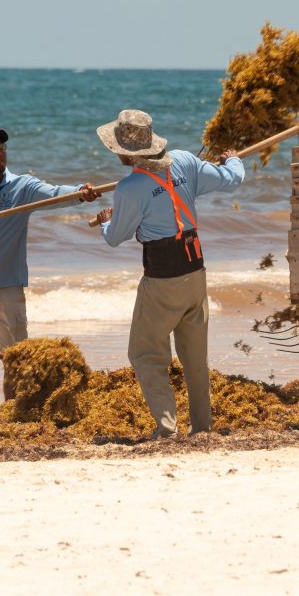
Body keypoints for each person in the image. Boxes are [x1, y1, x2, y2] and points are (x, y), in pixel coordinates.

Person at [93, 109, 244, 438]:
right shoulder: (185, 162)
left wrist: (107, 219)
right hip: (195, 269)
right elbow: (231, 180)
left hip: (162, 277)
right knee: (194, 356)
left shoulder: (129, 188)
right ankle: (202, 427)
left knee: (145, 353)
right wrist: (233, 160)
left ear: (127, 150)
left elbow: (115, 237)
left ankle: (166, 428)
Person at [0, 127, 100, 416]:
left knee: (15, 357)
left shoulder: (22, 186)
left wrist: (81, 192)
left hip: (9, 287)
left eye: (0, 147)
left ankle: (11, 410)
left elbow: (55, 195)